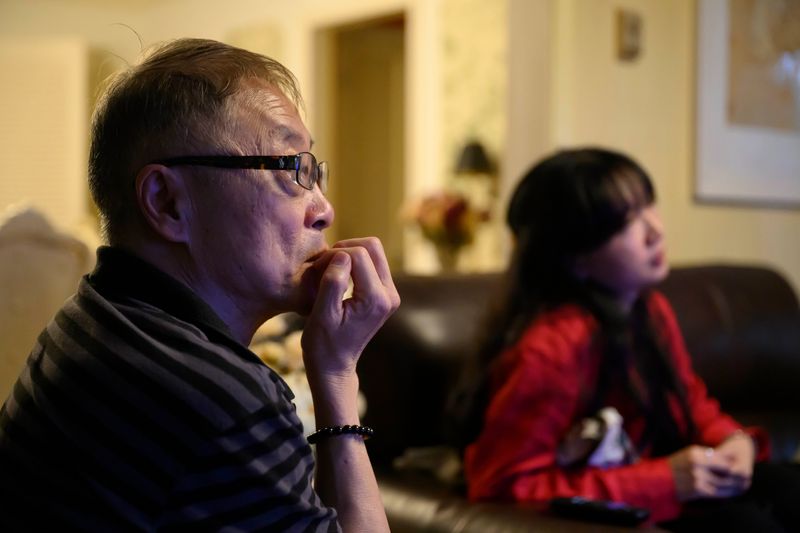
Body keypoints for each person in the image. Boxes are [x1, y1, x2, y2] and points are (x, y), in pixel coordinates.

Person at [0, 38, 399, 532]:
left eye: (314, 171)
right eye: (291, 169)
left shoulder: (88, 317)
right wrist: (336, 375)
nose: (324, 210)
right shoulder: (227, 406)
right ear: (167, 202)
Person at [456, 147, 799, 531]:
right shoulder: (552, 349)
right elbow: (502, 485)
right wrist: (663, 481)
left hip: (670, 485)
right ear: (573, 258)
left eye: (649, 205)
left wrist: (734, 441)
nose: (655, 231)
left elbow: (689, 401)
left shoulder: (650, 310)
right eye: (624, 223)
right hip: (627, 507)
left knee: (790, 488)